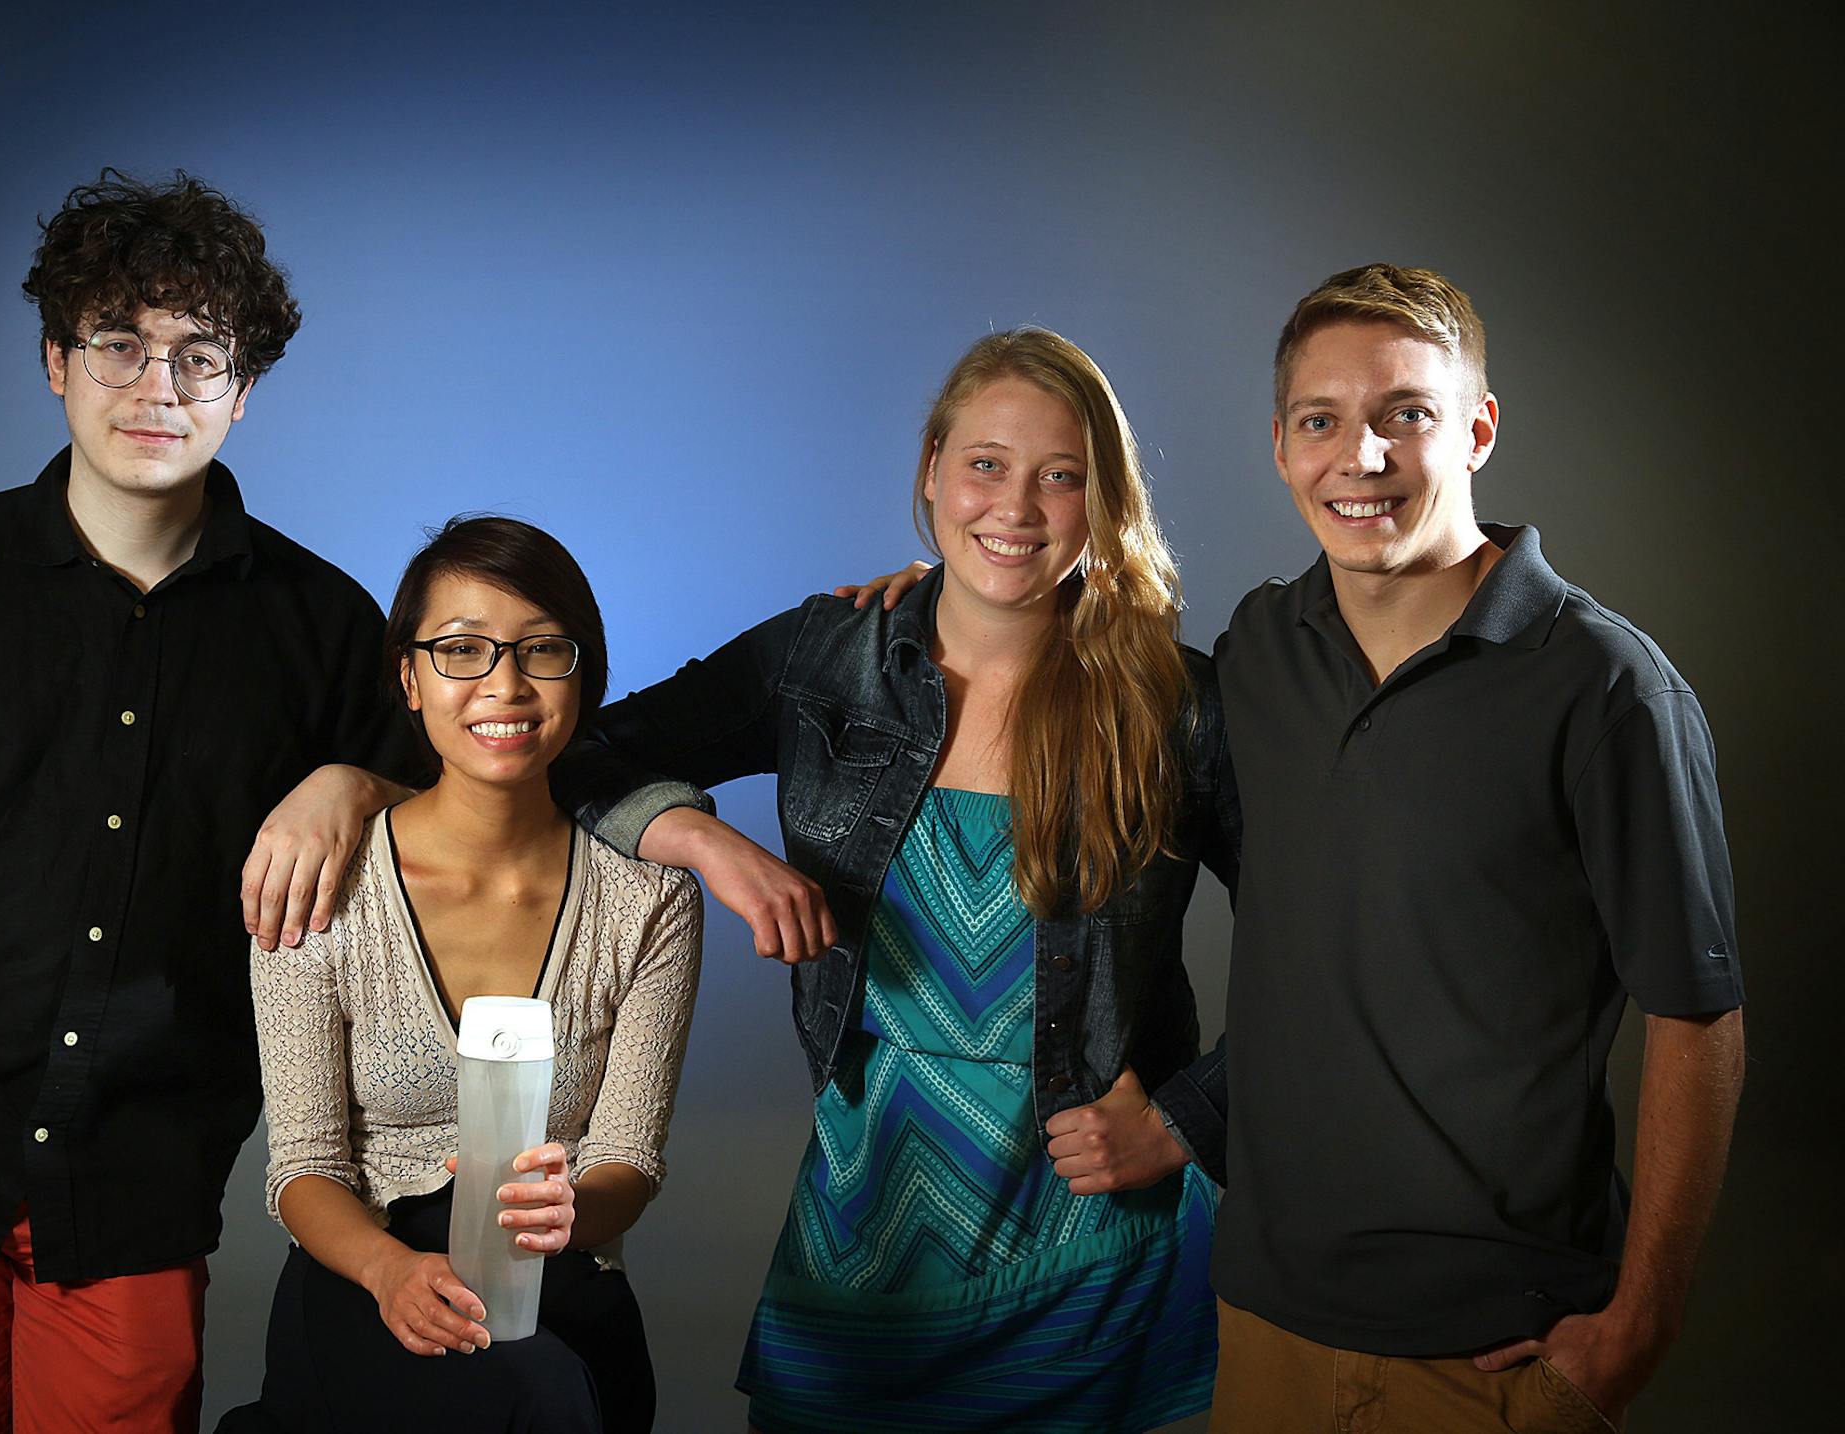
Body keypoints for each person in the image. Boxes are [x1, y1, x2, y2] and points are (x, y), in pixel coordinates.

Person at [0, 170, 435, 1432]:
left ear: (243, 387)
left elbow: (475, 794)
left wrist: (357, 778)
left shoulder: (320, 621)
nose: (155, 389)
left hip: (143, 1167)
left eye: (197, 355)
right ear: (55, 362)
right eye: (118, 343)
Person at [555, 330, 1239, 1433]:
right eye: (985, 464)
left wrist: (1189, 1118)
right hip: (867, 1231)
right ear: (930, 467)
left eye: (1061, 476)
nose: (1016, 507)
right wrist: (711, 844)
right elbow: (577, 752)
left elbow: (1332, 942)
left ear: (1102, 498)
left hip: (1101, 1251)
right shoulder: (830, 657)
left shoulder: (1178, 706)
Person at [1201, 265, 1745, 1432]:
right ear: (1283, 446)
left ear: (1478, 430)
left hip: (1498, 1347)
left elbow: (1698, 1017)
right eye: (1322, 421)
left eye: (1407, 414)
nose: (1364, 458)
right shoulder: (1259, 647)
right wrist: (915, 598)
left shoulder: (1608, 688)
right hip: (1264, 1319)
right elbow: (1054, 666)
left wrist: (1639, 1325)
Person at [227, 517, 702, 1434]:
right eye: (462, 650)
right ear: (409, 677)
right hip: (365, 1277)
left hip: (557, 1283)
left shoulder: (648, 904)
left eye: (543, 651)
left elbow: (627, 1161)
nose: (506, 685)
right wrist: (388, 1270)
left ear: (585, 675)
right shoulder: (321, 878)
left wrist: (572, 1210)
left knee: (557, 1384)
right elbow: (303, 1168)